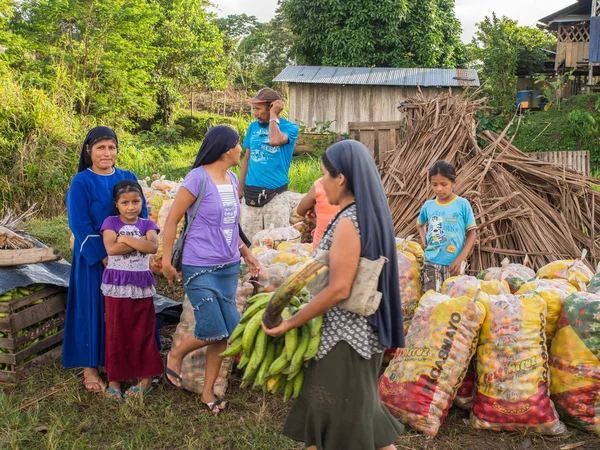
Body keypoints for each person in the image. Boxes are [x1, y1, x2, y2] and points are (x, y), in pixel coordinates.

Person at [262, 140, 405, 450]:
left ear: (341, 178)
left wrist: (292, 322)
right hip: (361, 337)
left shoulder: (349, 222)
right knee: (357, 422)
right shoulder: (366, 214)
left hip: (346, 341)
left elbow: (339, 288)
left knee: (340, 427)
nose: (321, 183)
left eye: (325, 175)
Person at [162, 126, 261, 414]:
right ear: (225, 148)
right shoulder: (197, 178)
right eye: (238, 143)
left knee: (227, 333)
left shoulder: (231, 179)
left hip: (228, 267)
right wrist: (167, 261)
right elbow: (171, 221)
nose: (241, 147)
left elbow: (231, 225)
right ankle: (176, 354)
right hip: (199, 267)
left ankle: (208, 391)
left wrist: (246, 252)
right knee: (213, 328)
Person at [63, 126, 147, 393]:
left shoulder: (127, 176)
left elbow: (141, 215)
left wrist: (130, 251)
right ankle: (90, 367)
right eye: (100, 147)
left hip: (128, 258)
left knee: (125, 310)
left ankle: (125, 362)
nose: (106, 153)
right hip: (94, 260)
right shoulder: (81, 182)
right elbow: (80, 224)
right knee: (93, 308)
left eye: (111, 147)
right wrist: (105, 258)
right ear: (88, 150)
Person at [100, 180, 164, 400]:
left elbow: (152, 247)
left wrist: (126, 238)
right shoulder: (110, 222)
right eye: (125, 202)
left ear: (142, 202)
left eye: (135, 201)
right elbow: (111, 248)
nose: (131, 207)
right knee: (116, 331)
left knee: (143, 330)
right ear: (116, 204)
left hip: (141, 287)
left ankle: (145, 380)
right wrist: (139, 242)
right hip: (116, 286)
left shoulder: (148, 224)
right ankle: (114, 380)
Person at [238, 88, 299, 241]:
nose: (255, 113)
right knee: (249, 242)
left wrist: (273, 116)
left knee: (276, 243)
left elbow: (275, 141)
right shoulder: (253, 127)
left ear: (272, 107)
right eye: (254, 109)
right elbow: (247, 158)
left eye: (258, 109)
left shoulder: (290, 128)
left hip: (276, 196)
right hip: (251, 194)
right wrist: (239, 189)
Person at [416, 160, 478, 293]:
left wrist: (461, 257)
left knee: (454, 304)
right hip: (431, 263)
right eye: (434, 184)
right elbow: (419, 224)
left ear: (453, 183)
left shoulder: (462, 204)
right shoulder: (428, 206)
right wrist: (424, 239)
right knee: (431, 303)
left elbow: (472, 233)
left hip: (454, 265)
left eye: (444, 184)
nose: (439, 188)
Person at [296, 177, 340, 249]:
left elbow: (300, 210)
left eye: (323, 173)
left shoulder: (320, 184)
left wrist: (315, 210)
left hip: (321, 249)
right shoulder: (358, 185)